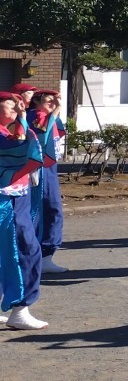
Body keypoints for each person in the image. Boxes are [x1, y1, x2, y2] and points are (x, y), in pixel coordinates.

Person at [0, 90, 46, 330]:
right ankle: (20, 308)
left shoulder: (5, 133)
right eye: (10, 105)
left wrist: (22, 119)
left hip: (14, 197)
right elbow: (24, 149)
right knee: (25, 249)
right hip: (6, 200)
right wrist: (23, 119)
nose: (17, 109)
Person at [25, 89, 67, 274]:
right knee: (43, 210)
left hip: (50, 168)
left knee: (52, 209)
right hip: (39, 169)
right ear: (37, 101)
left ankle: (46, 256)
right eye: (49, 100)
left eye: (55, 100)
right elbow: (42, 135)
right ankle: (39, 255)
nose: (53, 103)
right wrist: (56, 111)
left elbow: (59, 132)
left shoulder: (49, 116)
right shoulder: (34, 115)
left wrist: (55, 113)